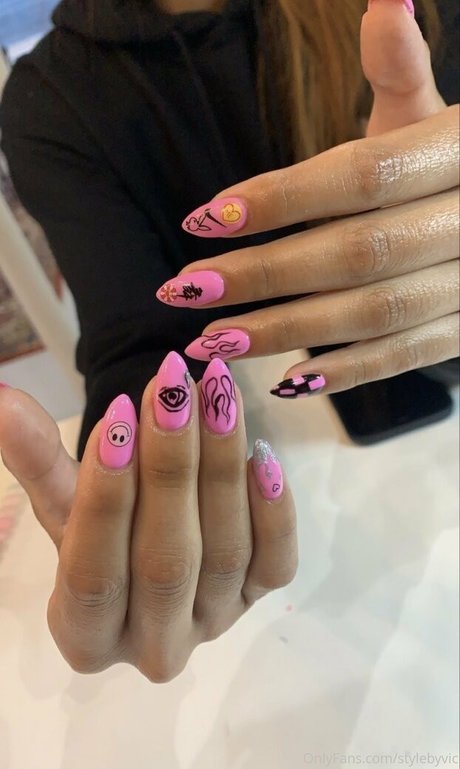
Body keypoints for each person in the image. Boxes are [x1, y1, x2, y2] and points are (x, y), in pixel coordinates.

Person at [0, 0, 458, 682]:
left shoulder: (396, 11)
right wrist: (137, 501)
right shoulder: (54, 99)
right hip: (326, 578)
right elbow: (137, 345)